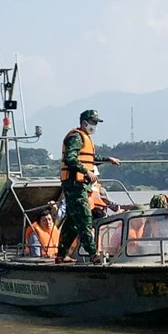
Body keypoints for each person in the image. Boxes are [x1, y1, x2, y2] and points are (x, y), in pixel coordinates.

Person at [54, 109, 120, 263]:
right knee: (84, 218)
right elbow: (70, 159)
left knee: (72, 221)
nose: (95, 126)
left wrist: (107, 159)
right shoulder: (76, 137)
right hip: (75, 184)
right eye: (93, 122)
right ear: (84, 123)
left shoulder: (85, 139)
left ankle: (61, 255)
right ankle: (93, 254)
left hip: (81, 185)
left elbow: (89, 158)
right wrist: (86, 172)